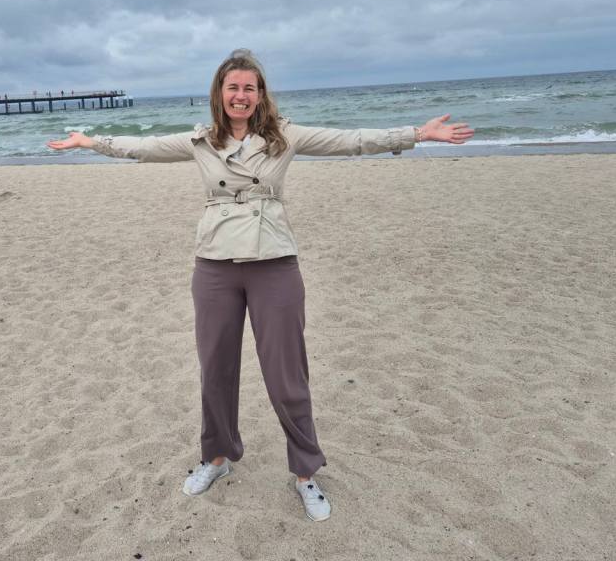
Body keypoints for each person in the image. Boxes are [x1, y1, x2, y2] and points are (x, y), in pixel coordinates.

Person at [46, 49, 474, 522]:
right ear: (220, 93)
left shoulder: (285, 136)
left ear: (261, 94)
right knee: (215, 369)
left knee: (287, 375)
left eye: (249, 88)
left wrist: (417, 134)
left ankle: (305, 472)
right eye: (233, 87)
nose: (241, 95)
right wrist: (91, 141)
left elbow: (351, 139)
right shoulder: (200, 140)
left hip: (274, 261)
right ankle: (217, 458)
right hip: (215, 265)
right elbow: (142, 148)